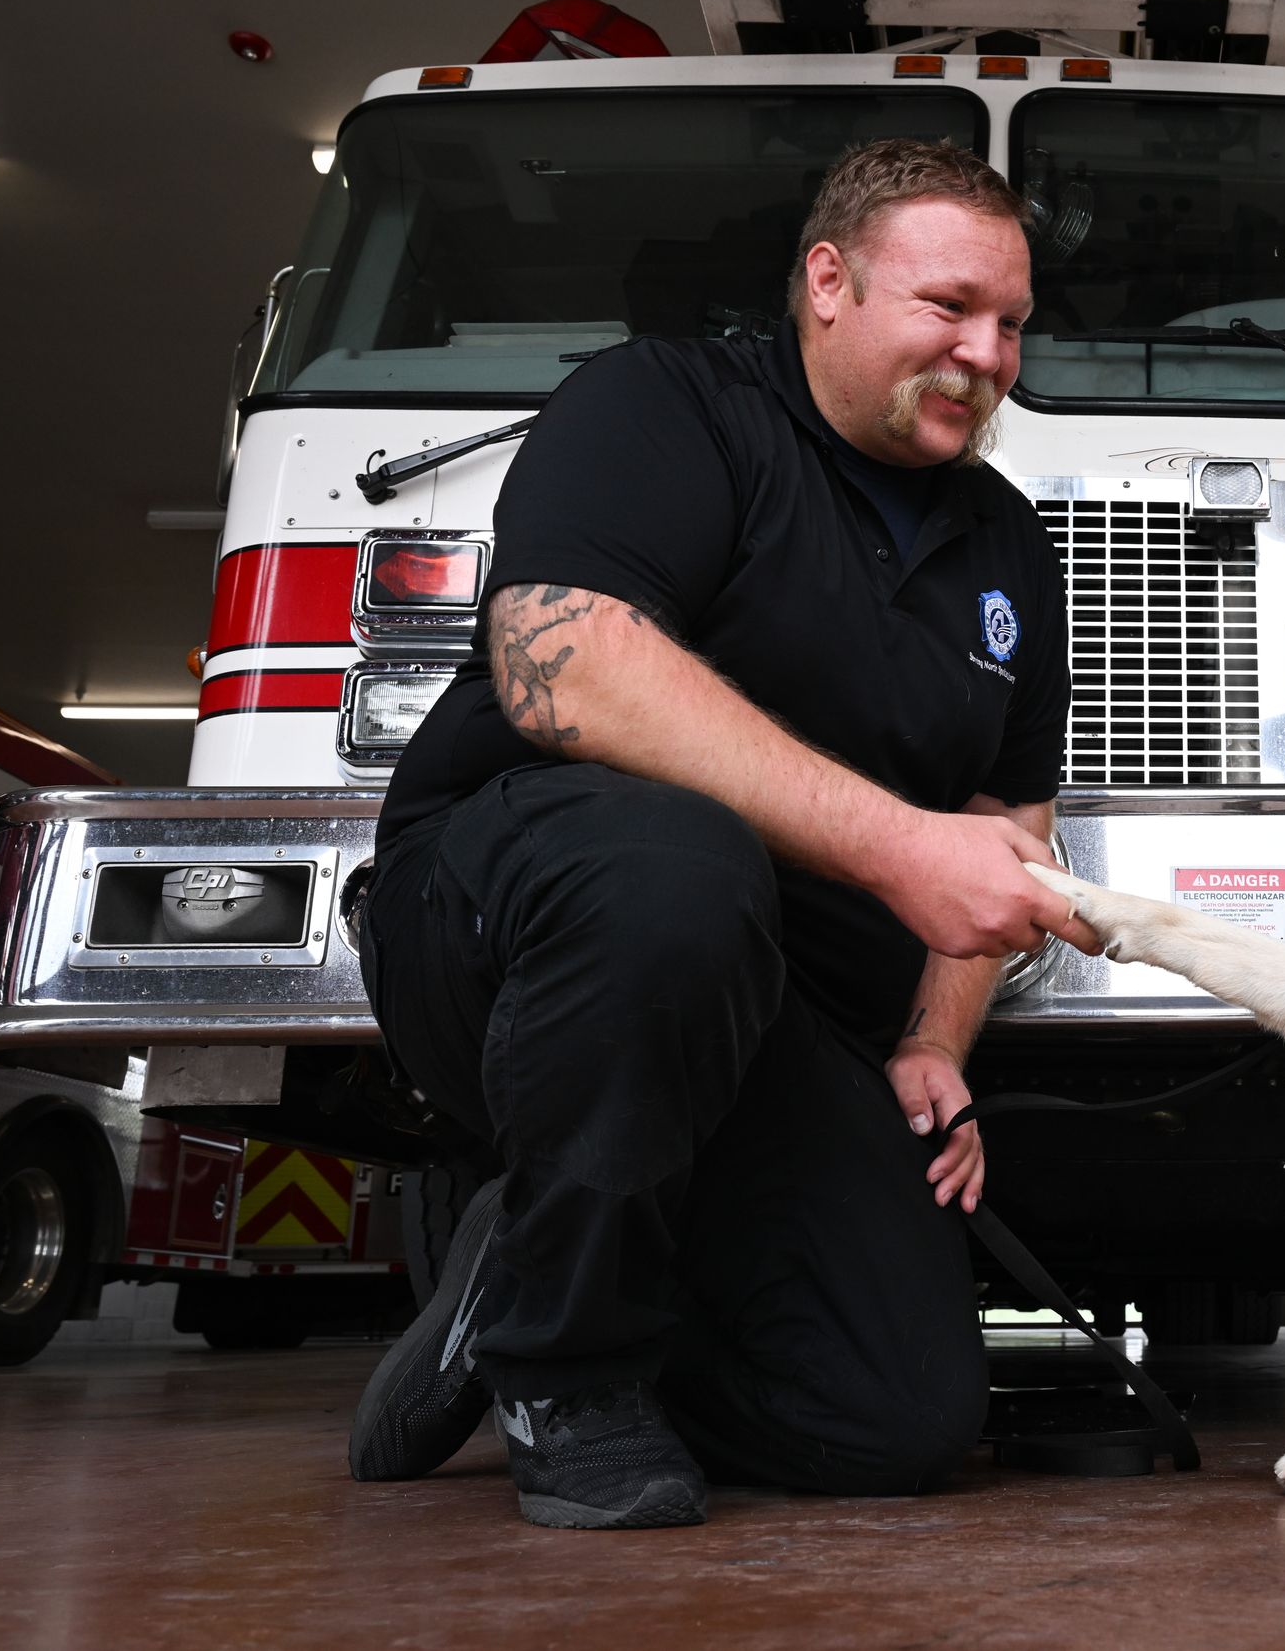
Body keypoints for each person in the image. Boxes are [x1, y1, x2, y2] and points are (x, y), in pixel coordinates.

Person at [345, 138, 1095, 1529]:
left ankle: (524, 1276)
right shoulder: (665, 403)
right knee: (676, 870)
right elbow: (555, 658)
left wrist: (933, 1039)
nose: (987, 355)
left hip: (772, 1016)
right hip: (509, 933)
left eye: (1010, 325)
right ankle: (569, 1376)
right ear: (829, 281)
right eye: (948, 308)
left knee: (898, 1419)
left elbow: (1008, 826)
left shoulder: (1008, 546)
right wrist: (895, 848)